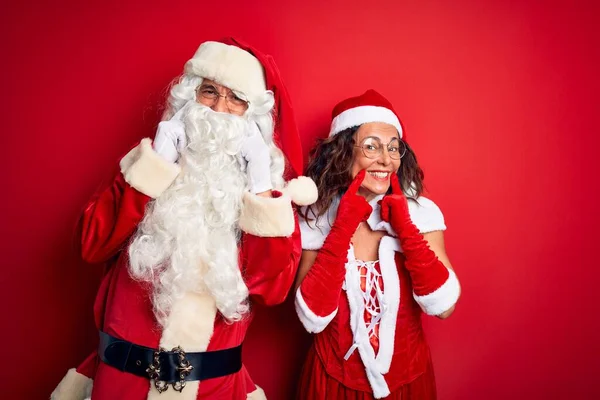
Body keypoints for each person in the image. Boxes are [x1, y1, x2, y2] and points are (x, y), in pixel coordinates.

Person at [51, 38, 317, 400]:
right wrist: (156, 163)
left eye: (236, 99)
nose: (219, 110)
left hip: (213, 390)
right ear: (188, 100)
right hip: (121, 386)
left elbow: (273, 289)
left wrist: (260, 185)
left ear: (254, 121)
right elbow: (91, 244)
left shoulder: (268, 202)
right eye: (209, 92)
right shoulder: (144, 170)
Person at [294, 89, 461, 399]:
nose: (386, 159)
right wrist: (342, 226)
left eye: (394, 148)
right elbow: (311, 318)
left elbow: (445, 307)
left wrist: (406, 228)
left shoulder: (422, 214)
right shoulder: (315, 218)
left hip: (408, 383)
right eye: (371, 147)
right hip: (331, 384)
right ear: (344, 152)